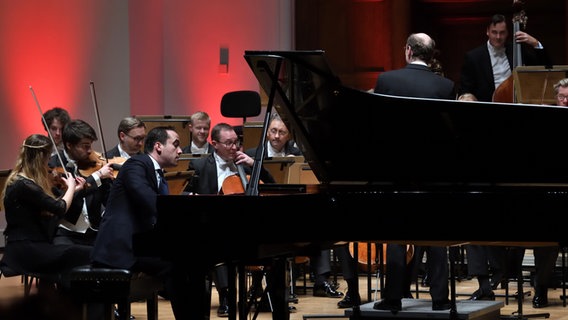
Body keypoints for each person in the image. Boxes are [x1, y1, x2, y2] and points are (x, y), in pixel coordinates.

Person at [373, 32, 454, 312]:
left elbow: (378, 129)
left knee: (396, 233)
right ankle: (440, 298)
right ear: (431, 55)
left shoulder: (387, 81)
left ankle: (394, 296)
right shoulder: (446, 86)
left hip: (396, 169)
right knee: (436, 236)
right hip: (433, 171)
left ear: (408, 51)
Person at [90, 126, 195, 319]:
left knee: (188, 263)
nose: (180, 151)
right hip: (119, 249)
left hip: (139, 247)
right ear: (158, 146)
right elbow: (148, 199)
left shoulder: (157, 173)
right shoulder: (136, 164)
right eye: (176, 145)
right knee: (177, 266)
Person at [0, 134, 101, 318]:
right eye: (47, 158)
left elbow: (54, 206)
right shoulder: (24, 185)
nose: (49, 163)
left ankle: (77, 309)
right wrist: (71, 186)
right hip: (26, 250)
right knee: (84, 254)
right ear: (40, 158)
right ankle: (86, 311)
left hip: (34, 245)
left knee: (73, 263)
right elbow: (60, 208)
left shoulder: (24, 182)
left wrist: (75, 190)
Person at [185, 122, 275, 317]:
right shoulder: (199, 165)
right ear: (214, 143)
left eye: (236, 142)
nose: (234, 147)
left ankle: (268, 294)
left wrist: (254, 165)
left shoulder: (246, 163)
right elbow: (188, 194)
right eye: (228, 143)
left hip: (247, 224)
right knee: (219, 241)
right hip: (213, 225)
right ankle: (226, 296)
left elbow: (272, 186)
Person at [48, 119, 115, 246]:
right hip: (66, 232)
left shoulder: (94, 163)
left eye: (90, 145)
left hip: (95, 230)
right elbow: (65, 201)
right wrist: (97, 176)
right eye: (85, 146)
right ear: (69, 145)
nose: (90, 151)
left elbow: (108, 197)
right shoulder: (53, 166)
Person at [459, 14, 551, 102]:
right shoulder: (473, 57)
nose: (498, 37)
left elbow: (545, 68)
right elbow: (465, 88)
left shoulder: (516, 50)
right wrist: (468, 97)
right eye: (494, 32)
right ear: (487, 31)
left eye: (502, 33)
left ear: (507, 33)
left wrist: (535, 43)